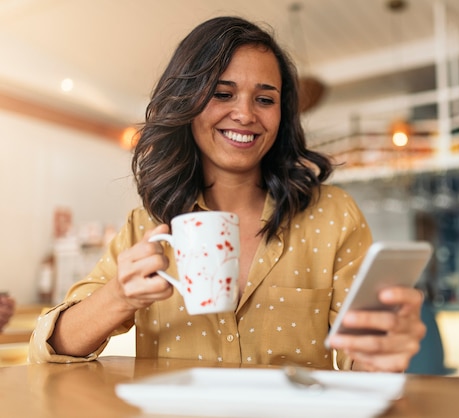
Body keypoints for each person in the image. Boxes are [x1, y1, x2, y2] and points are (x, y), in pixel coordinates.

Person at [29, 16, 426, 372]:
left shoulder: (333, 215)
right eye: (223, 93)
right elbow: (50, 348)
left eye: (265, 99)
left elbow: (363, 359)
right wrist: (118, 295)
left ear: (281, 115)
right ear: (187, 102)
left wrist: (385, 351)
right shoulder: (149, 226)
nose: (246, 114)